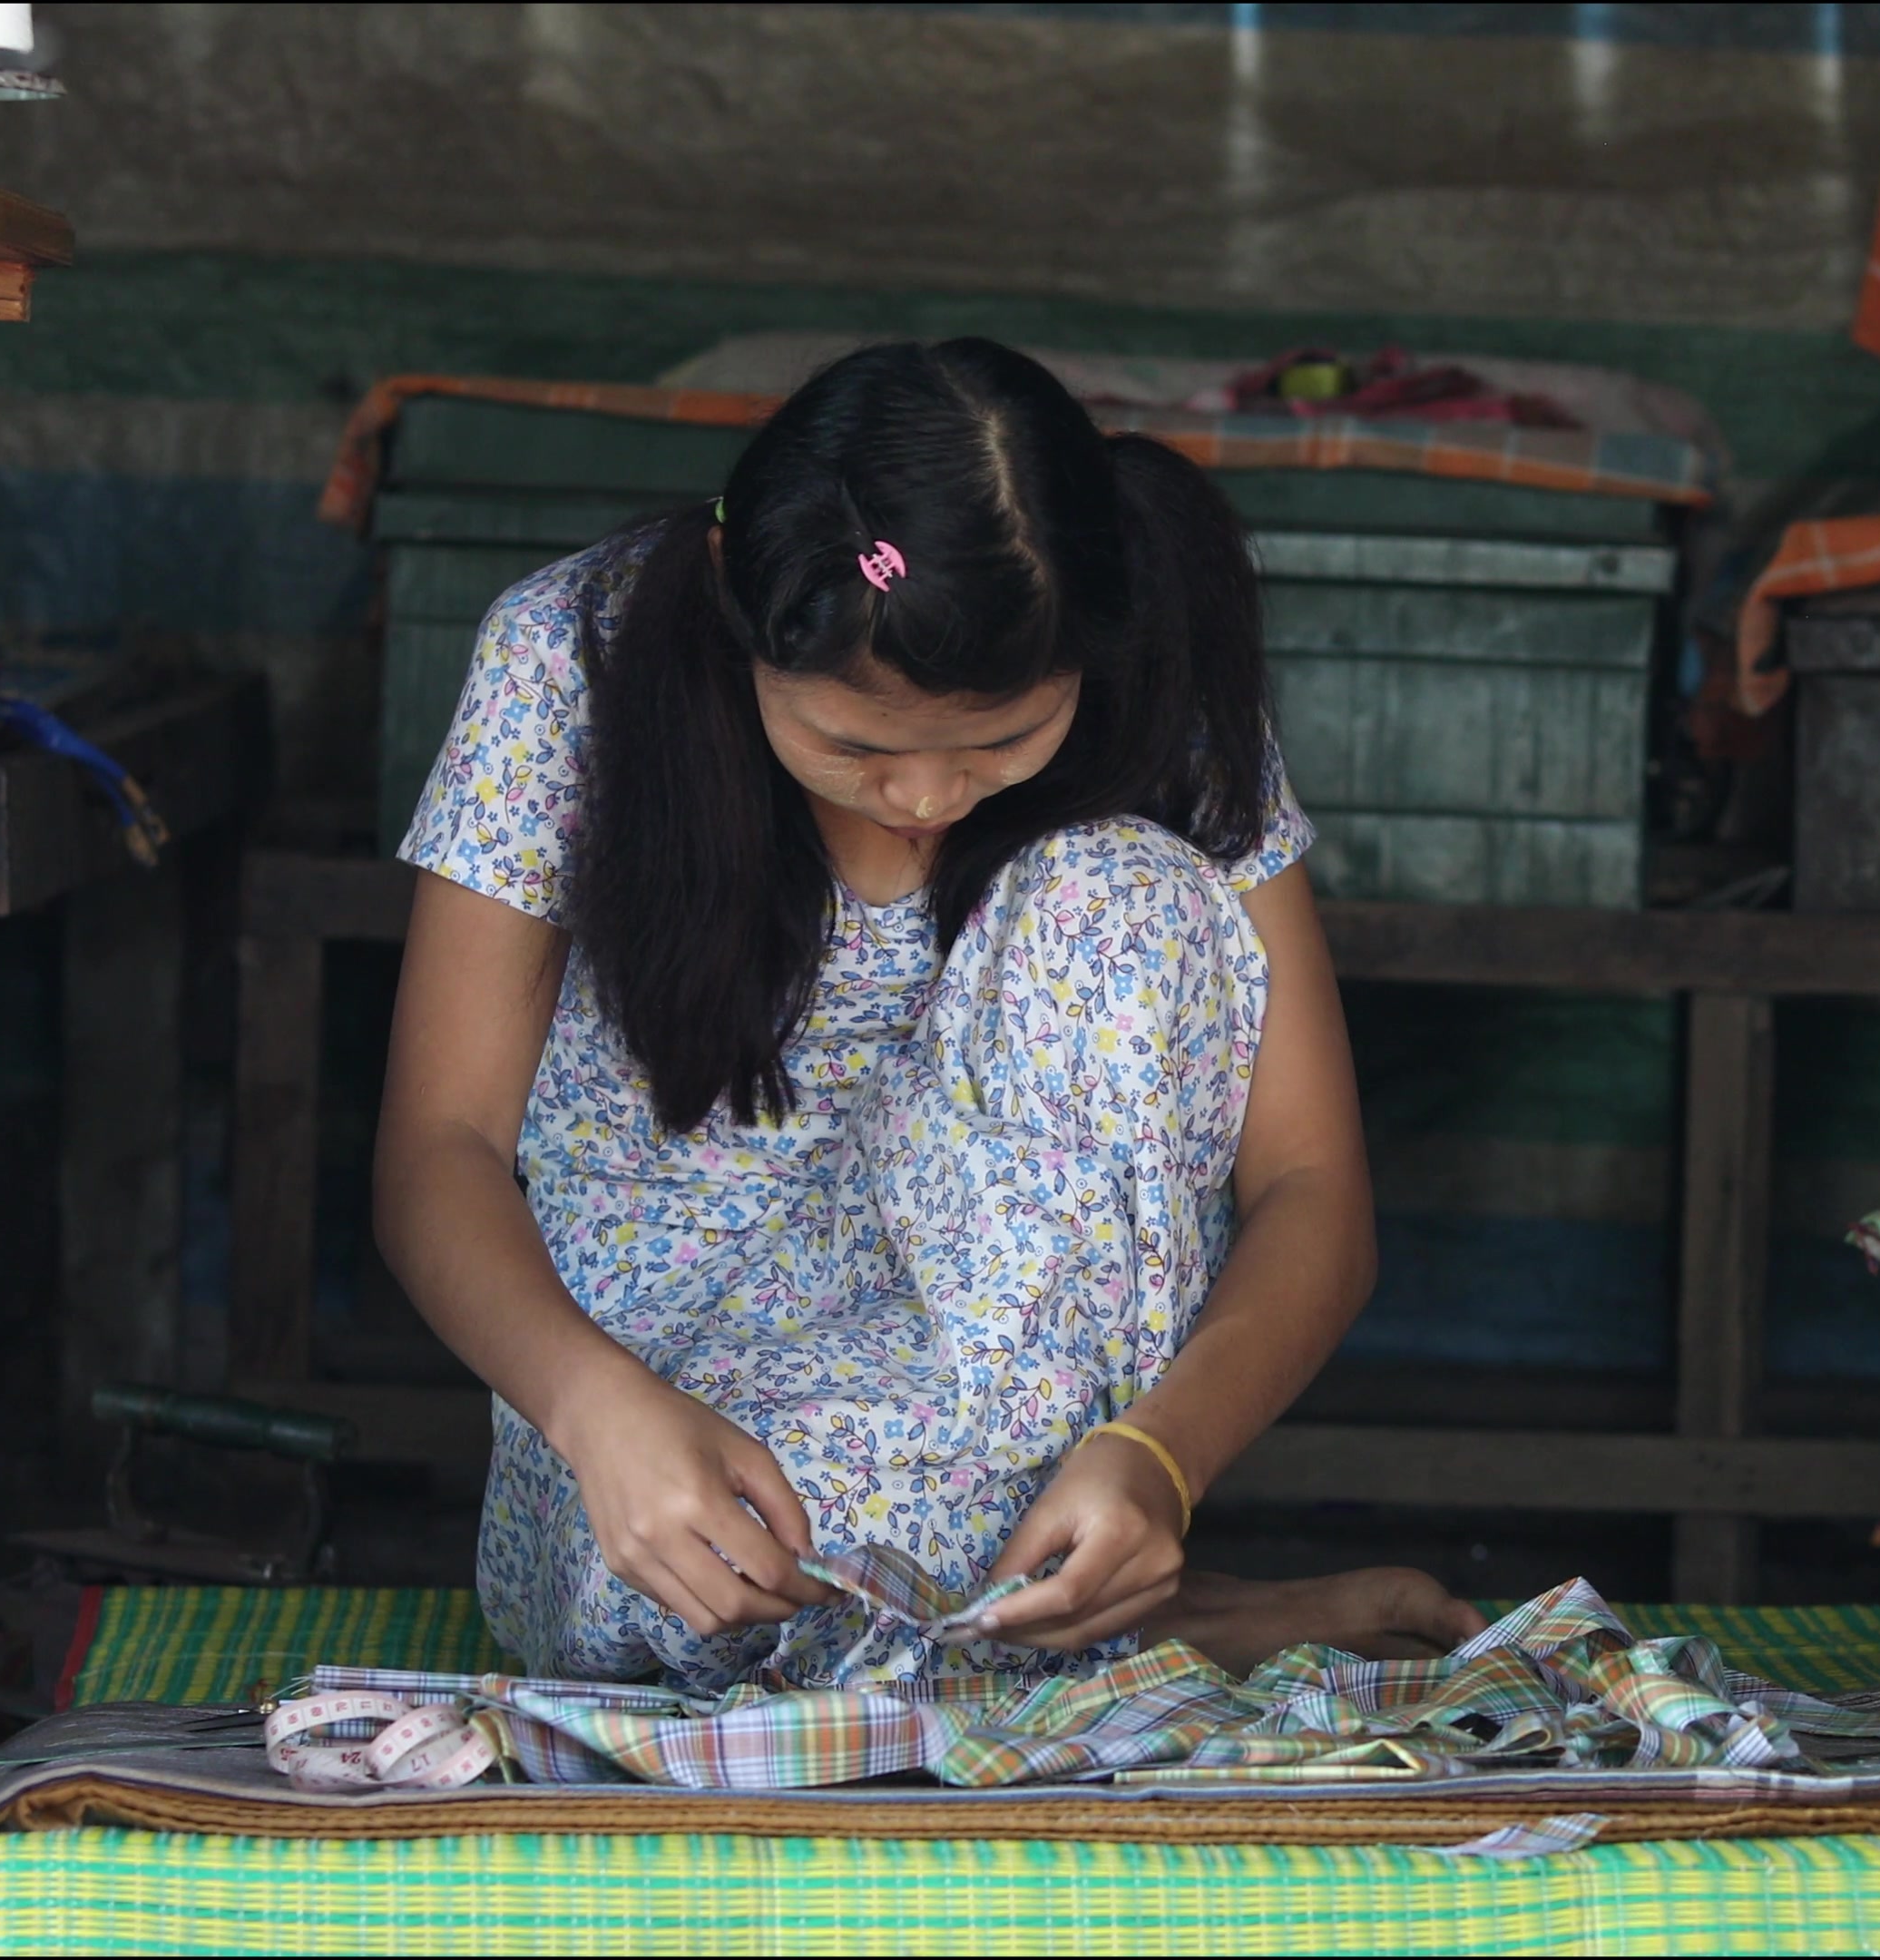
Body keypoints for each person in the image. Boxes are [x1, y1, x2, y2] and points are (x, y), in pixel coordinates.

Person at [372, 338, 1483, 1690]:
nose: (926, 798)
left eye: (1004, 742)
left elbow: (1313, 1184)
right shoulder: (570, 659)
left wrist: (1156, 1460)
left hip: (986, 1404)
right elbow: (439, 1149)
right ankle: (1128, 1633)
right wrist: (596, 1412)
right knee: (714, 1580)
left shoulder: (1160, 684)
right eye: (858, 746)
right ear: (739, 600)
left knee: (1119, 894)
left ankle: (1061, 1600)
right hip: (653, 1418)